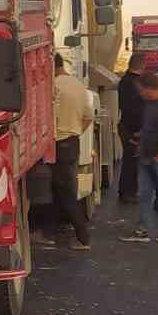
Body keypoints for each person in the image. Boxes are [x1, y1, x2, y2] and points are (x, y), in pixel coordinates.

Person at [120, 71, 158, 244]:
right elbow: (151, 127)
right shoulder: (150, 104)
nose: (140, 93)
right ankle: (143, 230)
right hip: (146, 157)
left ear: (150, 88)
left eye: (142, 90)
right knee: (145, 195)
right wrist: (141, 136)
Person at [41, 54, 94, 250]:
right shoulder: (78, 85)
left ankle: (83, 237)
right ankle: (51, 231)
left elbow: (47, 116)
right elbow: (89, 116)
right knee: (60, 188)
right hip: (73, 141)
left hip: (59, 142)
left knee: (66, 192)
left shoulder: (53, 87)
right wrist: (76, 130)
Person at [117, 53, 146, 203]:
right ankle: (128, 192)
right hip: (132, 128)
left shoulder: (125, 81)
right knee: (131, 162)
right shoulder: (134, 83)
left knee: (131, 161)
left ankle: (128, 191)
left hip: (126, 126)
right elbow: (134, 109)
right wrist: (137, 132)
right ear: (142, 65)